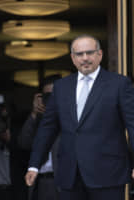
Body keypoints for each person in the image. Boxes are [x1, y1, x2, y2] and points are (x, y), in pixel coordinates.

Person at [25, 34, 134, 200]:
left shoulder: (119, 84)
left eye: (90, 52)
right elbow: (47, 128)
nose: (85, 58)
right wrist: (34, 165)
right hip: (70, 175)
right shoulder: (61, 87)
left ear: (100, 54)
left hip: (108, 173)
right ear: (72, 58)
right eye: (79, 54)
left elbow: (132, 125)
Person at [18, 75, 61, 200]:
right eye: (47, 96)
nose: (50, 99)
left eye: (54, 95)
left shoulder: (69, 116)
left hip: (62, 182)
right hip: (40, 182)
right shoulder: (39, 120)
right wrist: (34, 113)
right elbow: (23, 143)